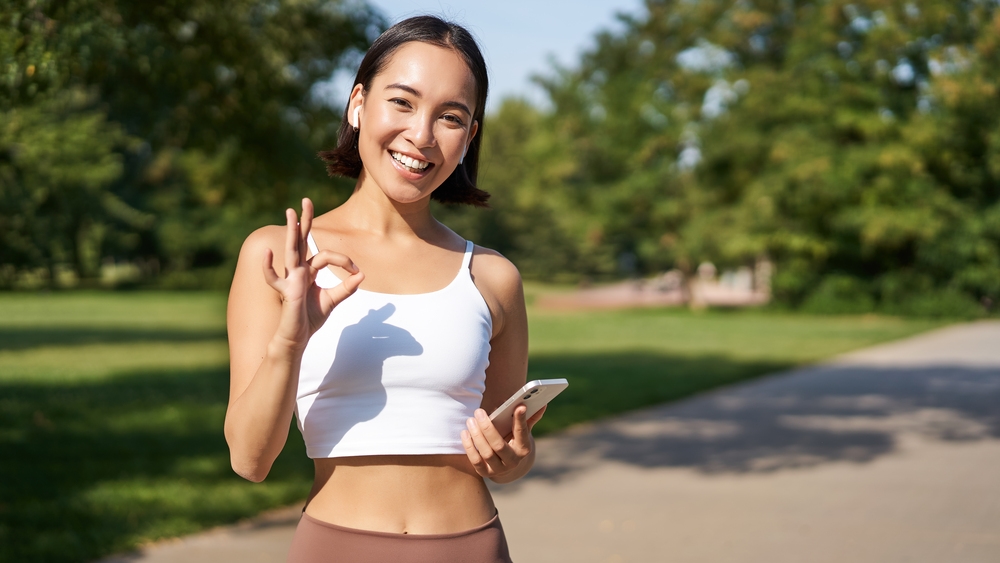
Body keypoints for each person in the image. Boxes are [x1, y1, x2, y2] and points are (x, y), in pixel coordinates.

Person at [224, 15, 543, 563]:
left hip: (471, 546)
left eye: (450, 117)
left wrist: (515, 459)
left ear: (468, 138)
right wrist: (291, 338)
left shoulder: (493, 276)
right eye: (402, 102)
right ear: (357, 104)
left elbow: (503, 447)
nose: (421, 135)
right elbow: (250, 460)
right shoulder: (280, 255)